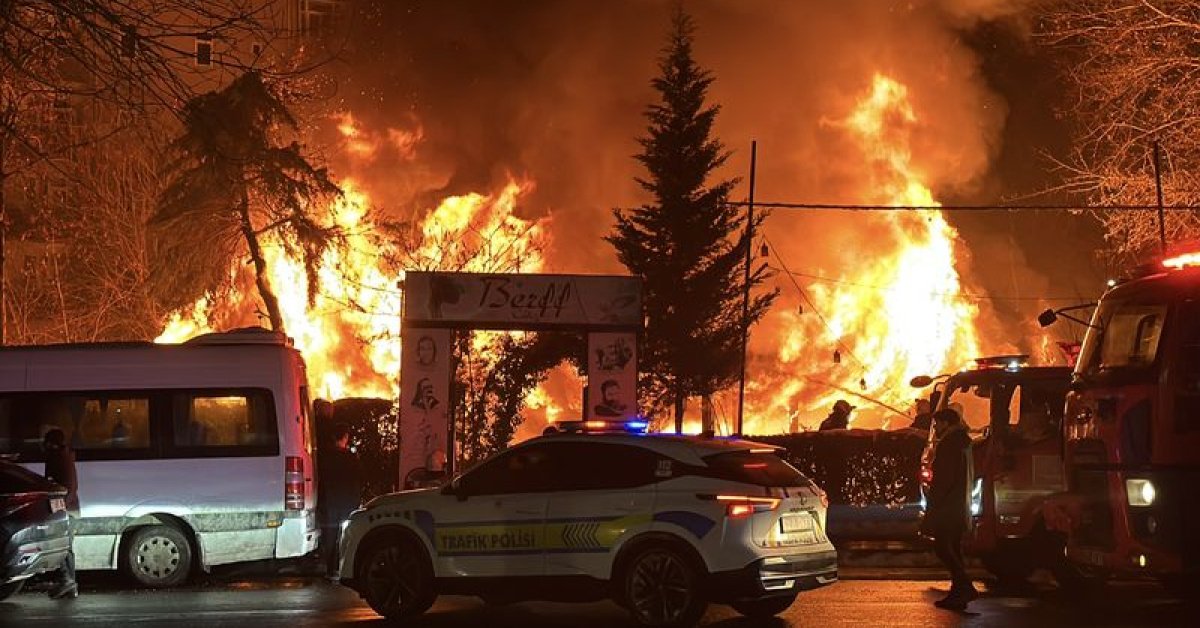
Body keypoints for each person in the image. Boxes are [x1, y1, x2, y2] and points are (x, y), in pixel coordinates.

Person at [922, 407, 977, 611]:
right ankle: (958, 593)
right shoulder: (964, 442)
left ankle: (964, 586)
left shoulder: (949, 444)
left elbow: (944, 479)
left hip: (947, 506)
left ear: (946, 423)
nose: (935, 428)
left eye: (937, 424)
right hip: (960, 505)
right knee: (953, 548)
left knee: (943, 547)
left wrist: (933, 505)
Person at [317, 423, 363, 579]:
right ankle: (342, 568)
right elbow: (356, 481)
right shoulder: (350, 458)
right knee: (345, 535)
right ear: (345, 437)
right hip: (346, 502)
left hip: (329, 502)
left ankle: (330, 569)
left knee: (329, 535)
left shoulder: (324, 457)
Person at [43, 428, 79, 599]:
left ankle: (67, 580)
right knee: (66, 546)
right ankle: (70, 585)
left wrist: (60, 508)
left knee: (62, 545)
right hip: (68, 507)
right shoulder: (63, 456)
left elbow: (67, 487)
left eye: (47, 442)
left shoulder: (59, 458)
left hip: (64, 508)